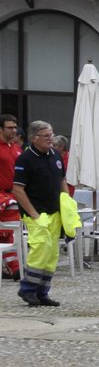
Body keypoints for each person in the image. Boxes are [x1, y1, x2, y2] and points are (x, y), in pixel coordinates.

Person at [12, 121, 67, 306]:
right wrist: (33, 214)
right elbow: (18, 189)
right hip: (36, 212)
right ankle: (27, 289)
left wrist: (67, 203)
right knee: (40, 249)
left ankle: (42, 292)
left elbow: (62, 180)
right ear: (34, 138)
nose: (50, 138)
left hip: (55, 212)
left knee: (52, 254)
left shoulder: (55, 155)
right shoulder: (25, 158)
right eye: (46, 136)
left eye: (51, 134)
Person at [0, 114, 23, 278]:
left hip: (15, 193)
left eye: (15, 127)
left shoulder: (15, 147)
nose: (14, 130)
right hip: (4, 195)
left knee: (10, 231)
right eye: (10, 127)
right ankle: (15, 266)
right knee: (11, 228)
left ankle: (14, 266)